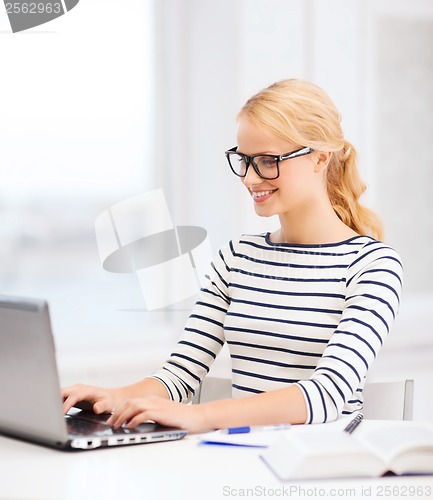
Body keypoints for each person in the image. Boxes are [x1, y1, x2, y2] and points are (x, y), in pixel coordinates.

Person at [62, 79, 403, 433]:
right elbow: (181, 373)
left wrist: (201, 416)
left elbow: (327, 395)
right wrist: (112, 397)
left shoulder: (373, 266)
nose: (250, 178)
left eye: (269, 161)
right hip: (237, 457)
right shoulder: (238, 256)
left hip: (316, 467)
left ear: (320, 157)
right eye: (244, 160)